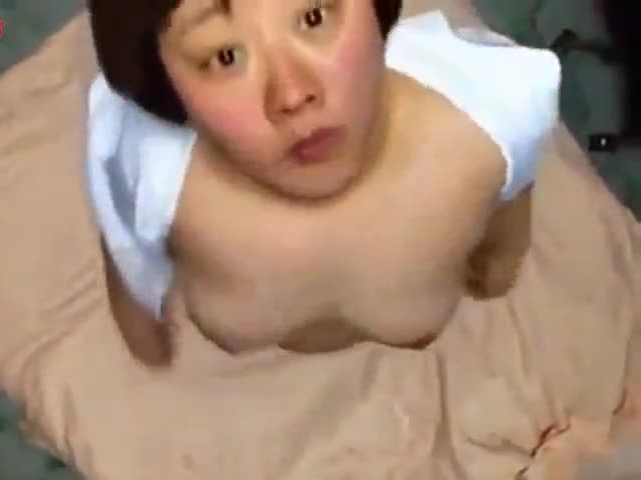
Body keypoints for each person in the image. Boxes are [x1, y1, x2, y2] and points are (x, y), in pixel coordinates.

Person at [85, 0, 560, 364]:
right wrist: (143, 327)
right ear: (165, 86)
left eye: (313, 17)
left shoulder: (491, 112)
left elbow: (514, 186)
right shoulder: (148, 165)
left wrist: (502, 256)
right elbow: (125, 246)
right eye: (226, 56)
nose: (293, 94)